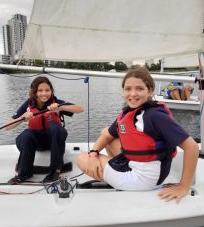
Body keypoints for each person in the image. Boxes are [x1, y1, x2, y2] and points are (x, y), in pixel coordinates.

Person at [77, 67, 199, 202]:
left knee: (82, 158)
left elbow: (192, 147)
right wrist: (94, 153)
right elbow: (107, 135)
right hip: (136, 164)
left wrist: (183, 186)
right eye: (128, 89)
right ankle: (115, 173)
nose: (133, 94)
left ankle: (119, 180)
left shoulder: (154, 116)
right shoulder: (129, 112)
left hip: (145, 179)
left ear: (150, 91)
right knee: (106, 134)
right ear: (123, 91)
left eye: (139, 89)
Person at [6, 76, 84, 184]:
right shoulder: (28, 104)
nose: (44, 93)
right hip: (36, 143)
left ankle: (55, 172)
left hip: (54, 142)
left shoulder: (55, 102)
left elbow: (80, 109)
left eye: (47, 90)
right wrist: (21, 118)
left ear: (51, 91)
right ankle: (24, 173)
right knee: (26, 134)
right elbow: (7, 126)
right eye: (40, 90)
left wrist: (60, 108)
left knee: (55, 127)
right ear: (35, 92)